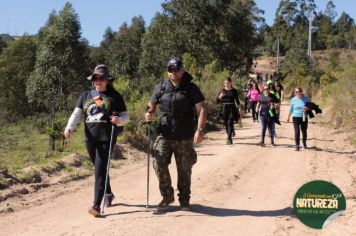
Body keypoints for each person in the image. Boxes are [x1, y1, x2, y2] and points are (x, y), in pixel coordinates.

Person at [63, 64, 129, 216]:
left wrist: (118, 120)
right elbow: (77, 113)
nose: (98, 81)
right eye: (95, 78)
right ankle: (109, 193)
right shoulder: (86, 95)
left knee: (99, 169)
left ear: (107, 80)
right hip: (90, 137)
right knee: (100, 168)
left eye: (101, 78)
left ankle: (96, 205)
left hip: (107, 137)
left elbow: (126, 116)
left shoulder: (115, 96)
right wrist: (69, 128)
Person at [144, 58, 207, 211]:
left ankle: (184, 200)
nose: (173, 72)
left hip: (185, 135)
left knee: (184, 169)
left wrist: (199, 130)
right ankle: (167, 195)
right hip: (165, 133)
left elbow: (202, 110)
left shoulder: (191, 88)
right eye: (170, 69)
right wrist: (149, 112)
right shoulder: (161, 87)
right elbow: (151, 104)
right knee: (158, 162)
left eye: (176, 69)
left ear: (182, 70)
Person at [217, 77, 241, 144]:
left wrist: (239, 109)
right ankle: (230, 133)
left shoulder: (234, 91)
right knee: (226, 124)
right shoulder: (222, 91)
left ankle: (229, 138)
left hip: (232, 108)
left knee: (230, 122)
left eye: (227, 83)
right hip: (224, 108)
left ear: (231, 83)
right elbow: (217, 101)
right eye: (225, 83)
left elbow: (237, 101)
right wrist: (220, 96)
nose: (226, 84)